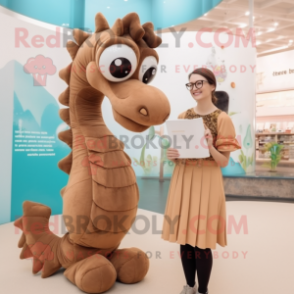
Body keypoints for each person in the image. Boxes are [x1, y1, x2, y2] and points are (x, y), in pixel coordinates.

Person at [161, 67, 242, 294]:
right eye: (191, 84)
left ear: (212, 86)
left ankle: (203, 290)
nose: (195, 88)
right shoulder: (183, 117)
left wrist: (209, 147)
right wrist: (172, 155)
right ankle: (189, 286)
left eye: (200, 84)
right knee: (185, 237)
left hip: (208, 180)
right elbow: (178, 153)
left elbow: (223, 162)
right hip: (184, 177)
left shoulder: (222, 119)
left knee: (202, 240)